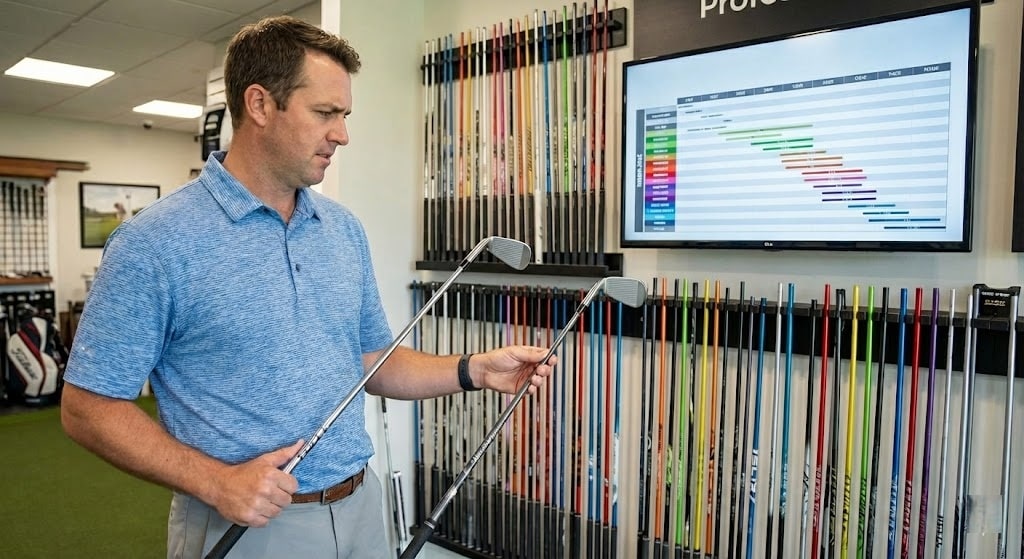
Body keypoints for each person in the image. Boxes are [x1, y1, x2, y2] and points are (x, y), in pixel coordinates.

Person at [60, 15, 556, 559]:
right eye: (325, 113)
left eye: (343, 115)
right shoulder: (152, 242)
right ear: (260, 105)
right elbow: (88, 406)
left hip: (361, 508)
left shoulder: (342, 229)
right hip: (246, 526)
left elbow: (371, 359)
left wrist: (474, 370)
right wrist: (213, 481)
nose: (342, 133)